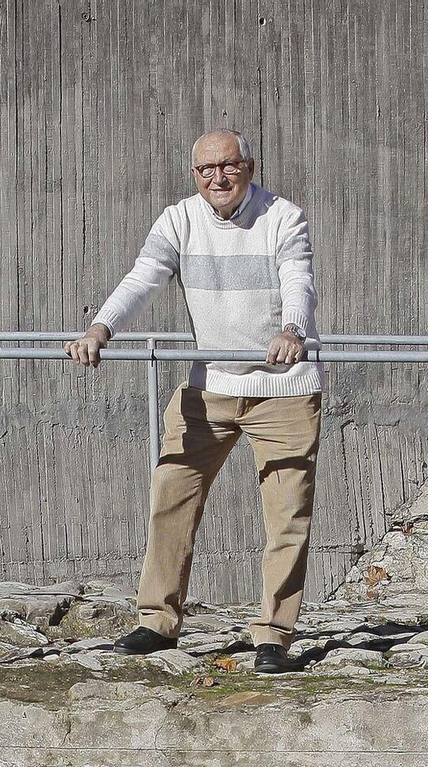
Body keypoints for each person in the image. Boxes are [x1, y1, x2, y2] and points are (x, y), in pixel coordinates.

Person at [66, 129, 320, 674]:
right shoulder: (179, 219)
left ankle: (273, 633)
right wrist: (101, 328)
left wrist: (293, 328)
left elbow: (298, 278)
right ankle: (157, 620)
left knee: (287, 517)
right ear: (194, 175)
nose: (218, 179)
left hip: (282, 388)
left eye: (228, 166)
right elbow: (143, 278)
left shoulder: (282, 216)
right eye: (206, 170)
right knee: (170, 492)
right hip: (209, 386)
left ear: (248, 167)